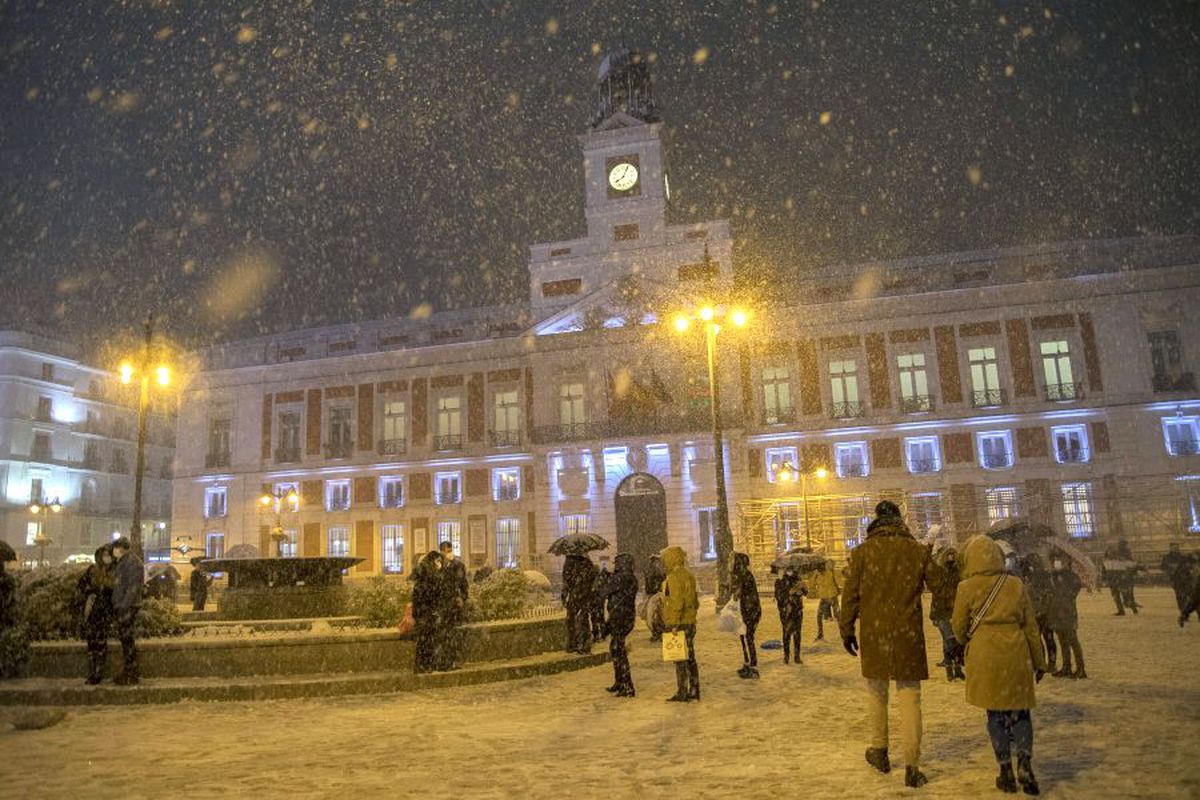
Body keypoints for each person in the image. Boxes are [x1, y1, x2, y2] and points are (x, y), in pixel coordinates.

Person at [839, 500, 938, 789]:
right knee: (910, 696)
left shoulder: (862, 553)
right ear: (899, 520)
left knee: (876, 692)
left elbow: (850, 595)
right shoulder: (916, 551)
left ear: (876, 521)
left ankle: (880, 751)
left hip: (874, 633)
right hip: (908, 634)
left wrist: (846, 629)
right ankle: (912, 765)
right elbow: (941, 585)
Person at [952, 535, 1048, 796]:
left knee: (995, 714)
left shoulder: (966, 587)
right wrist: (1039, 661)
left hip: (985, 654)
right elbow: (1030, 626)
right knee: (1020, 712)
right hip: (1015, 652)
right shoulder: (1015, 585)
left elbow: (959, 627)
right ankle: (1025, 762)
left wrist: (968, 640)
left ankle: (1005, 769)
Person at [661, 545, 700, 702]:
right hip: (690, 621)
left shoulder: (674, 577)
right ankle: (695, 689)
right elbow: (695, 602)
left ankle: (682, 691)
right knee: (690, 657)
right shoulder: (688, 575)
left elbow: (677, 602)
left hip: (680, 623)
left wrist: (675, 623)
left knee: (679, 659)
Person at [601, 553, 639, 697]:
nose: (615, 565)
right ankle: (620, 681)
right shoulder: (630, 577)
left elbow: (604, 591)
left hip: (620, 616)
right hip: (626, 616)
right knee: (616, 648)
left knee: (618, 651)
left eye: (617, 563)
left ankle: (626, 685)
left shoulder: (622, 578)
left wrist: (604, 578)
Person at [78, 544, 115, 685]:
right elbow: (81, 586)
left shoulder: (114, 571)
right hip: (93, 611)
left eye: (108, 554)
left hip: (105, 612)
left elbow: (115, 590)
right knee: (92, 642)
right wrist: (91, 591)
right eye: (104, 555)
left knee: (100, 642)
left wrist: (105, 590)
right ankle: (93, 671)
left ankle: (98, 672)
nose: (106, 557)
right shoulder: (92, 570)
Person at [110, 536, 144, 685]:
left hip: (128, 607)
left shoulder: (131, 562)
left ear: (121, 548)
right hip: (124, 605)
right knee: (126, 640)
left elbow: (132, 588)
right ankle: (129, 671)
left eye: (116, 548)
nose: (114, 551)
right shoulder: (125, 561)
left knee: (127, 640)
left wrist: (124, 606)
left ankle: (131, 673)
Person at [1047, 555, 1087, 679]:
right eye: (1055, 561)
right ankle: (1066, 667)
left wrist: (1067, 594)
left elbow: (1075, 589)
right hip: (1056, 610)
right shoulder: (1052, 576)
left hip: (1067, 611)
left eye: (1059, 561)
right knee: (1062, 640)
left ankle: (1080, 668)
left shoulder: (1071, 576)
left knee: (1072, 640)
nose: (1056, 563)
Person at [929, 546, 964, 682]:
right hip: (942, 612)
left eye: (952, 555)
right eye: (948, 556)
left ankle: (955, 668)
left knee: (952, 640)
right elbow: (936, 594)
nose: (950, 558)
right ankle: (952, 669)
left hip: (954, 610)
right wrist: (934, 615)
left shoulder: (958, 572)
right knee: (949, 640)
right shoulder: (940, 573)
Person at [1021, 554, 1057, 675]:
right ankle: (1045, 662)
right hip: (1037, 612)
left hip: (1041, 612)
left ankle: (1047, 662)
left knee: (1043, 638)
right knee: (1042, 638)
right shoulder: (1031, 576)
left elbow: (1049, 593)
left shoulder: (1040, 576)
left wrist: (1042, 605)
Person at [438, 541, 469, 669]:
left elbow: (463, 585)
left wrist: (462, 598)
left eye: (449, 550)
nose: (448, 553)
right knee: (442, 634)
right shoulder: (437, 566)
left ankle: (452, 661)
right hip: (441, 606)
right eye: (445, 551)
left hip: (454, 605)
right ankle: (442, 662)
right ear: (441, 552)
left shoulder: (458, 565)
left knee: (453, 633)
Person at [412, 551, 444, 674]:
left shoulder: (424, 573)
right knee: (426, 640)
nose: (439, 563)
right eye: (438, 560)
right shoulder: (429, 575)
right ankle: (425, 665)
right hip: (426, 612)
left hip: (424, 612)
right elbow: (431, 593)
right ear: (433, 560)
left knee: (424, 640)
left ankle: (422, 666)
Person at [731, 552, 762, 678]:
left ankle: (751, 662)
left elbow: (741, 592)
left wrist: (737, 592)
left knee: (747, 636)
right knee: (744, 636)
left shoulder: (745, 576)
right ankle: (748, 661)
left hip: (750, 610)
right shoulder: (743, 575)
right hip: (748, 609)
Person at [561, 553, 598, 654]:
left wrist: (564, 596)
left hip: (575, 596)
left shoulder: (569, 563)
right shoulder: (587, 563)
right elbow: (592, 579)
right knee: (583, 619)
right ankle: (583, 645)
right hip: (583, 596)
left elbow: (566, 582)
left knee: (572, 620)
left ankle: (574, 644)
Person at [773, 566, 805, 665]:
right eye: (788, 569)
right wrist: (789, 593)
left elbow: (806, 593)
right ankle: (786, 656)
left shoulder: (798, 580)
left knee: (797, 633)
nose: (790, 571)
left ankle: (797, 656)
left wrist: (803, 588)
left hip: (797, 609)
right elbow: (778, 596)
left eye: (791, 569)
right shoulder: (780, 581)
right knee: (786, 633)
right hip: (786, 611)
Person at [1161, 543, 1196, 621]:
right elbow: (1163, 567)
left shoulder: (1183, 557)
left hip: (1186, 579)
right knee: (1181, 597)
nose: (1176, 549)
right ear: (1170, 548)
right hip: (1176, 580)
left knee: (1188, 595)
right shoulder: (1167, 558)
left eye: (1177, 547)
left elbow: (1191, 565)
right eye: (1174, 547)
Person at [811, 560, 839, 641]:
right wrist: (815, 575)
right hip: (824, 598)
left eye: (831, 564)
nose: (829, 566)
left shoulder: (833, 573)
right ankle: (820, 634)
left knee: (838, 617)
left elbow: (838, 582)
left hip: (833, 597)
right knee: (819, 616)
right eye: (827, 564)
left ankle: (845, 633)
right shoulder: (819, 573)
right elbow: (812, 584)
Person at [644, 554, 666, 642]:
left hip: (652, 593)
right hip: (657, 593)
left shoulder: (648, 569)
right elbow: (662, 578)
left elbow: (648, 582)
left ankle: (656, 633)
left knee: (652, 615)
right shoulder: (657, 569)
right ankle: (659, 633)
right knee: (658, 614)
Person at [591, 561, 611, 643]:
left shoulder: (594, 580)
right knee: (600, 618)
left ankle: (597, 635)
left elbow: (597, 591)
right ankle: (602, 634)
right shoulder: (600, 579)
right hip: (599, 602)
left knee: (595, 619)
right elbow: (604, 591)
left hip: (595, 603)